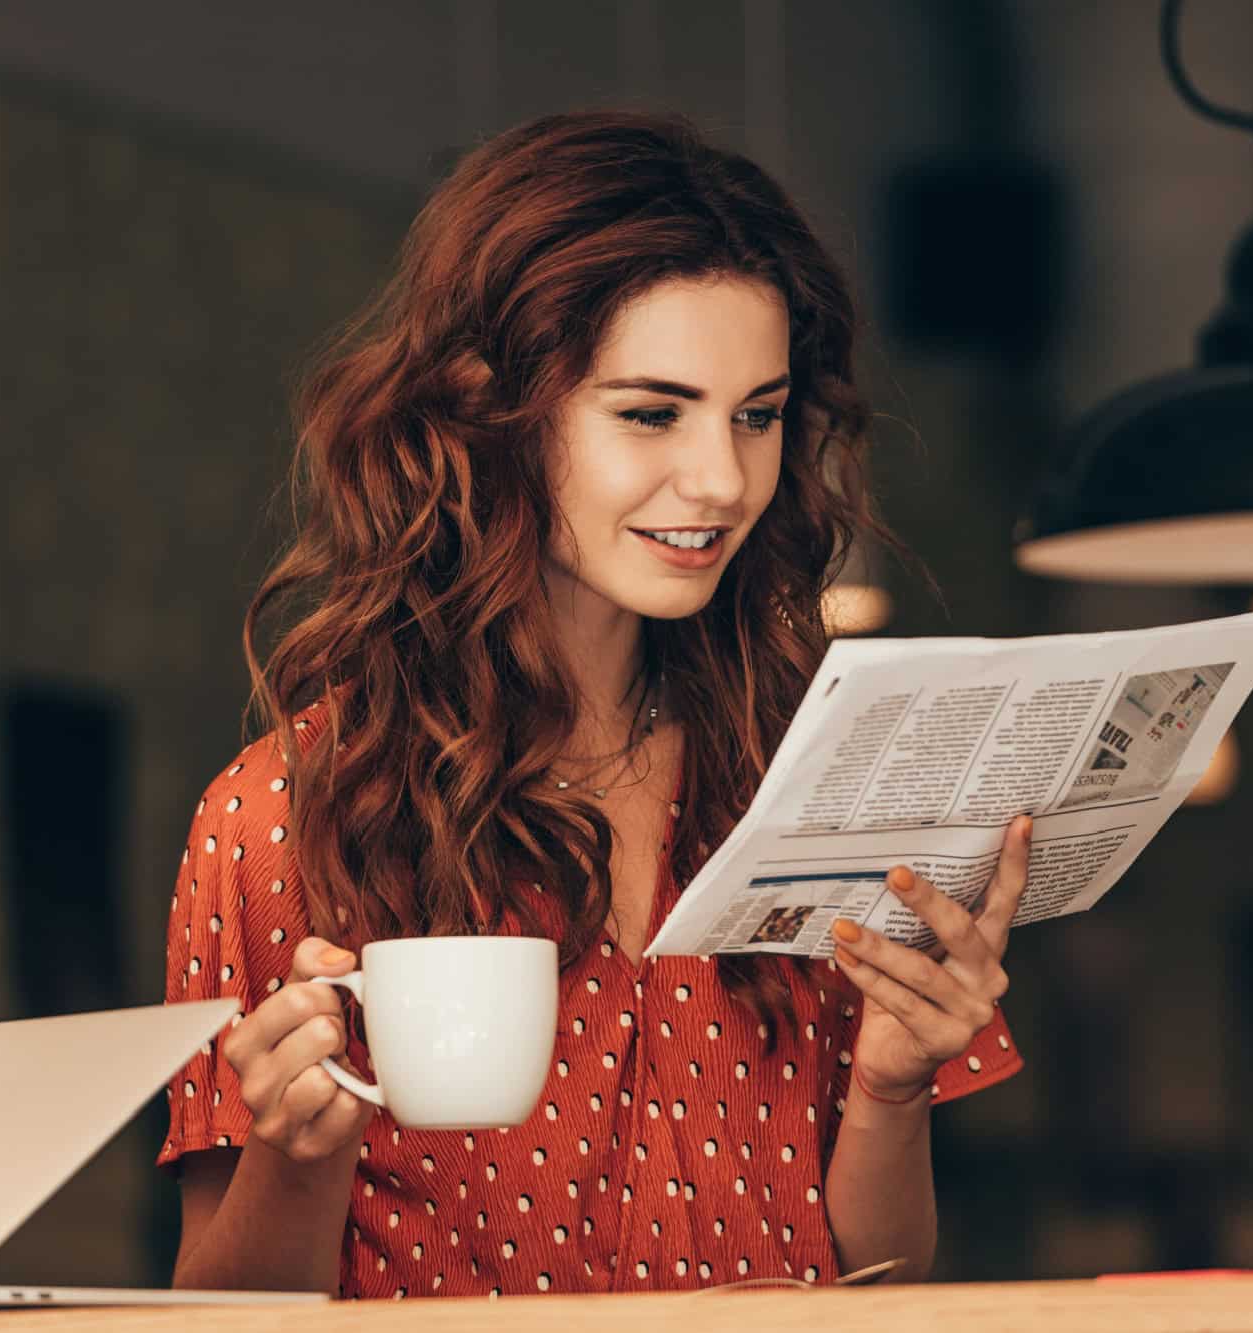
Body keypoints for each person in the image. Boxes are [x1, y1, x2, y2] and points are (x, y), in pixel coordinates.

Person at [160, 110, 1030, 1300]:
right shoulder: (282, 816)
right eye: (649, 412)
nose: (722, 478)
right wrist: (297, 1161)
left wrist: (888, 1085)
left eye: (757, 414)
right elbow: (219, 1318)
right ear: (488, 411)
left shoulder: (812, 785)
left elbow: (876, 1281)